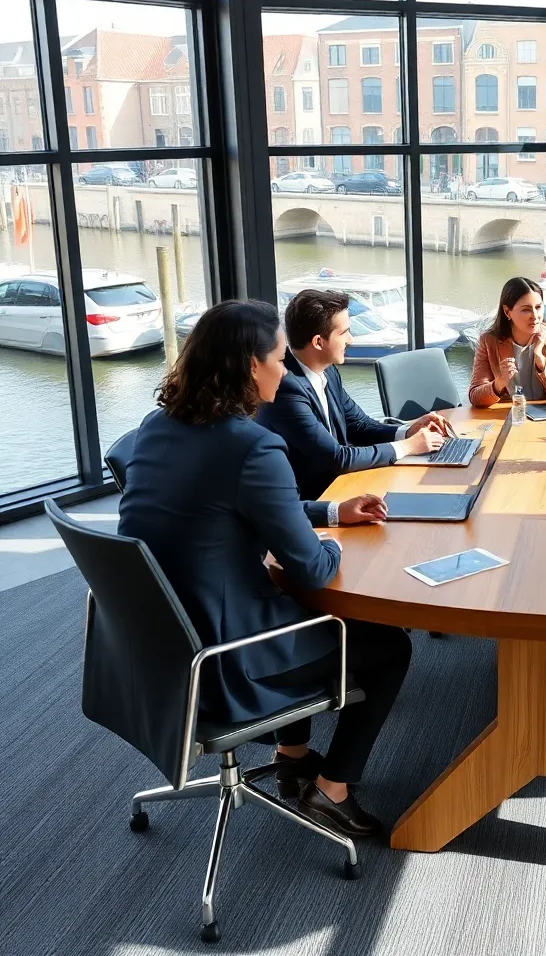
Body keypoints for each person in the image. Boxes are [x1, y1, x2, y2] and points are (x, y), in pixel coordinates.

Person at [119, 300, 411, 837]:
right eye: (279, 357)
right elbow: (315, 570)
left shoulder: (157, 427)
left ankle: (293, 756)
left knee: (290, 603)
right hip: (226, 660)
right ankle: (332, 789)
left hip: (161, 647)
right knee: (389, 646)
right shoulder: (253, 445)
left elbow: (229, 505)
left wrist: (329, 511)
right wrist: (345, 546)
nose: (285, 367)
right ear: (252, 367)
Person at [257, 288, 454, 501]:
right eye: (343, 333)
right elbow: (337, 458)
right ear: (318, 342)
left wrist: (408, 431)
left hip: (345, 487)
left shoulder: (328, 370)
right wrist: (409, 446)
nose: (350, 340)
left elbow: (359, 425)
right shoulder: (286, 389)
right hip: (316, 502)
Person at [469, 276, 546, 407]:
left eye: (538, 307)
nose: (535, 316)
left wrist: (541, 361)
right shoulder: (488, 341)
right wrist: (500, 382)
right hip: (508, 416)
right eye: (526, 309)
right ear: (507, 312)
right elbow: (475, 397)